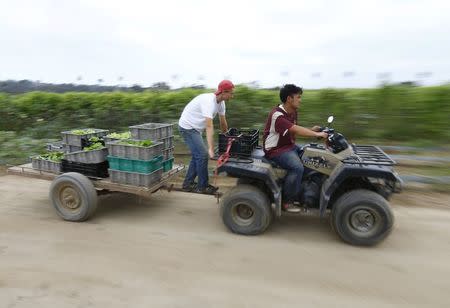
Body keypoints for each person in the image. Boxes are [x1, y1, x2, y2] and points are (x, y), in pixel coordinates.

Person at [262, 84, 328, 213]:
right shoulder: (277, 115)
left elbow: (294, 129)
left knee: (315, 160)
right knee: (297, 167)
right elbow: (294, 128)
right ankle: (287, 201)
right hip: (276, 150)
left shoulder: (292, 112)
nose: (300, 100)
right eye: (298, 97)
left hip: (289, 146)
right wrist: (316, 134)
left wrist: (311, 130)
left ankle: (306, 192)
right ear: (289, 99)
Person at [178, 80, 235, 194]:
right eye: (231, 93)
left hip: (196, 128)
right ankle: (202, 186)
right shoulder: (209, 101)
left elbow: (223, 123)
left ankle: (187, 184)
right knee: (203, 155)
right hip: (187, 127)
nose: (232, 96)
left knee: (197, 155)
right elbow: (209, 126)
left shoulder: (221, 103)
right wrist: (210, 148)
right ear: (223, 92)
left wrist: (228, 136)